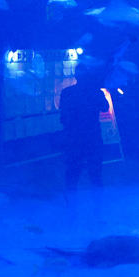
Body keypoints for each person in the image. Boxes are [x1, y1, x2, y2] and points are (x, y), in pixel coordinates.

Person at [58, 60, 109, 192]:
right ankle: (98, 201)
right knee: (95, 172)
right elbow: (105, 107)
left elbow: (63, 115)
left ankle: (71, 201)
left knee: (73, 171)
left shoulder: (67, 92)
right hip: (93, 136)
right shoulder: (96, 92)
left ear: (76, 76)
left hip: (74, 137)